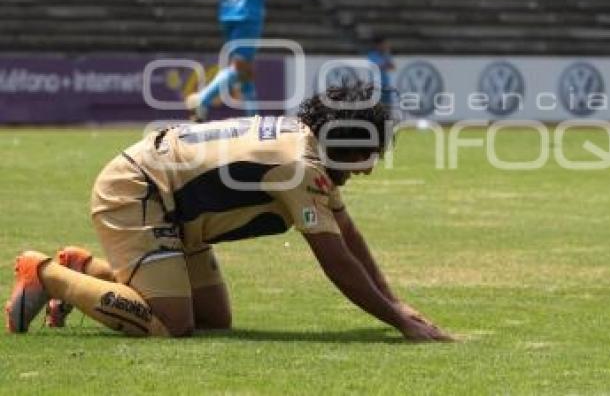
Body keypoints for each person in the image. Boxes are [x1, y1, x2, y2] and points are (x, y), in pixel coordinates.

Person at [5, 83, 452, 341]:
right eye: (364, 154)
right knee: (171, 324)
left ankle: (80, 268)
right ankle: (45, 274)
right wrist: (396, 322)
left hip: (173, 207)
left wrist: (395, 304)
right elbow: (335, 260)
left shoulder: (307, 147)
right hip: (139, 193)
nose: (369, 168)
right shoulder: (299, 165)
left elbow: (348, 234)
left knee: (213, 320)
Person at [366, 36, 396, 108]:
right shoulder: (372, 55)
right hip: (376, 87)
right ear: (378, 45)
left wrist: (386, 58)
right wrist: (385, 64)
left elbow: (392, 67)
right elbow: (376, 67)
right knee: (377, 108)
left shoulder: (386, 55)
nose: (385, 46)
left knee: (388, 107)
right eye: (384, 44)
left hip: (386, 85)